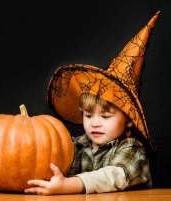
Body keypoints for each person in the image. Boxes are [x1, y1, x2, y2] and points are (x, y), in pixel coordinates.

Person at [24, 11, 160, 195]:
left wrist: (68, 186)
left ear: (128, 119)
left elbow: (112, 177)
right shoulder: (75, 146)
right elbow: (46, 160)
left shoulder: (132, 150)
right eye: (88, 115)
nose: (95, 123)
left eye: (105, 116)